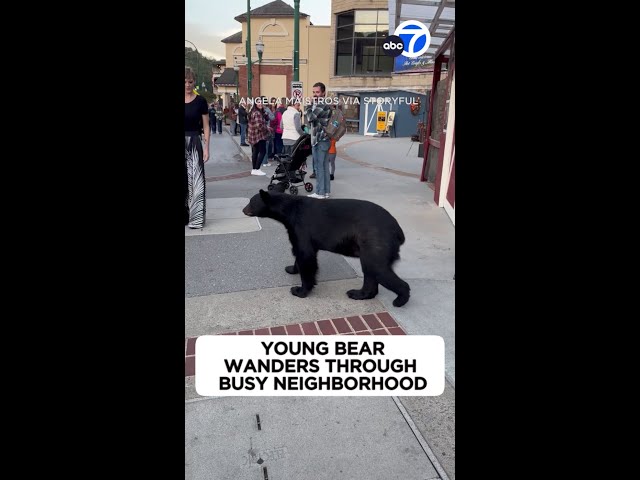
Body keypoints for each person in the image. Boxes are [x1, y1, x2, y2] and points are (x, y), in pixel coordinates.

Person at [184, 66, 210, 229]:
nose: (187, 84)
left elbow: (206, 126)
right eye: (184, 81)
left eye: (190, 81)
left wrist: (207, 148)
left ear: (194, 82)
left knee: (196, 181)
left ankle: (196, 218)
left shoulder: (200, 101)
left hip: (194, 141)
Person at [305, 82, 332, 199]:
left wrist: (308, 105)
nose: (315, 95)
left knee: (319, 167)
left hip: (320, 140)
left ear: (323, 93)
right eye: (314, 92)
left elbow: (310, 118)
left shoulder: (322, 105)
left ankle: (320, 193)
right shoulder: (321, 105)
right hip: (323, 139)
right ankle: (325, 192)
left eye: (317, 92)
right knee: (324, 167)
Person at [247, 98, 271, 176]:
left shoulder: (255, 112)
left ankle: (254, 169)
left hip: (253, 135)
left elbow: (267, 118)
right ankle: (257, 168)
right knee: (262, 151)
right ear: (255, 104)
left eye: (261, 102)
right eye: (258, 103)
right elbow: (259, 126)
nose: (260, 104)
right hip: (259, 135)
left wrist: (264, 113)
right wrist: (267, 128)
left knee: (255, 152)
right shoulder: (257, 113)